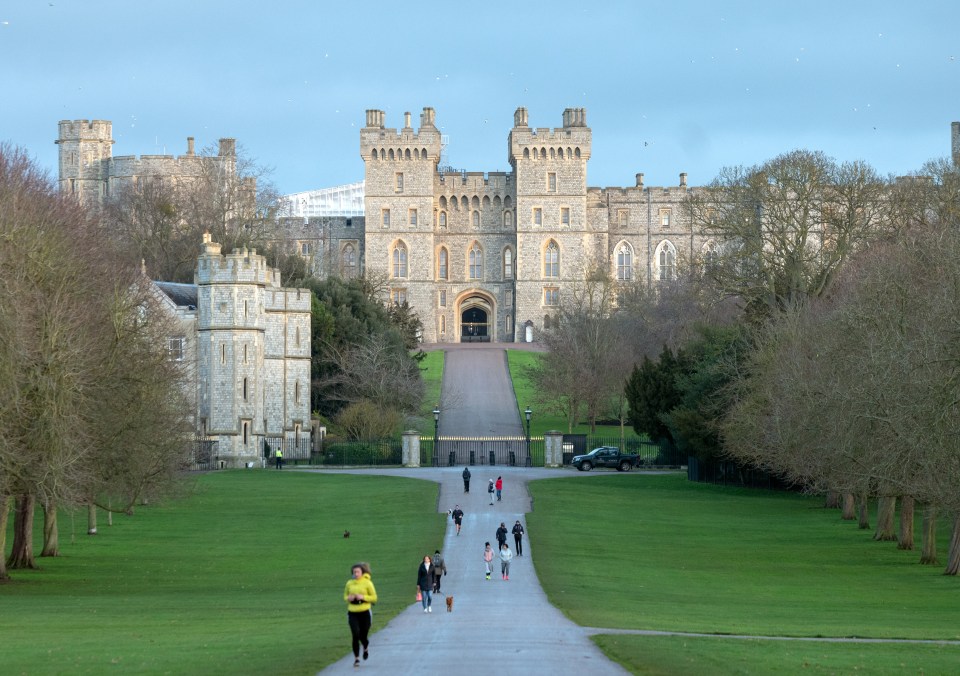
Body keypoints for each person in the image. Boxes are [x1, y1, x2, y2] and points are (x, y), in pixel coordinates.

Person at [343, 562, 377, 667]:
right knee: (355, 634)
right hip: (353, 612)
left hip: (365, 611)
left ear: (362, 572)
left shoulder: (367, 583)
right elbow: (345, 596)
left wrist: (363, 597)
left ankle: (365, 647)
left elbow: (374, 598)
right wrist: (349, 598)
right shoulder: (349, 583)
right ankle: (356, 658)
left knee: (363, 635)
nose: (356, 574)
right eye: (354, 572)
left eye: (358, 572)